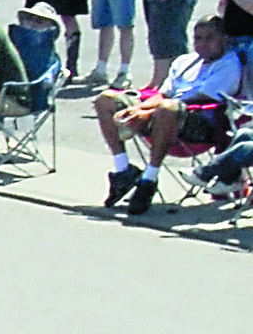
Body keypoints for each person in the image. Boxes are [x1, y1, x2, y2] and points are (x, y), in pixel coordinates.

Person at [95, 17, 243, 217]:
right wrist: (138, 109)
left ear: (224, 39)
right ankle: (123, 171)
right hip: (162, 115)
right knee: (106, 99)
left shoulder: (229, 64)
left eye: (209, 38)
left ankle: (149, 179)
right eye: (198, 38)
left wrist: (147, 113)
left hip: (201, 123)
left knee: (167, 108)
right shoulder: (184, 62)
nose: (202, 44)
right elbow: (163, 93)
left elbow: (201, 98)